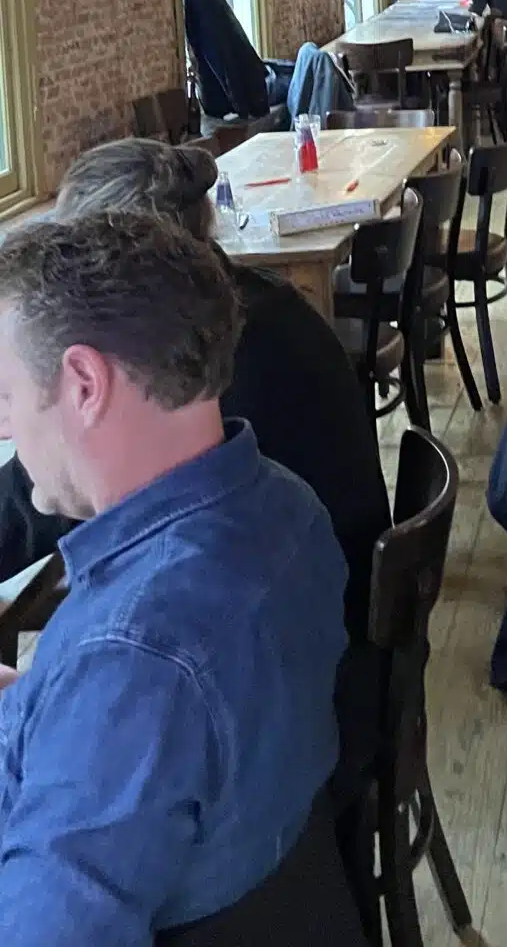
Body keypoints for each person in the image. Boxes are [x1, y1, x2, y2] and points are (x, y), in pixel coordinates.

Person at [0, 210, 347, 940]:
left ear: (84, 383)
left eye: (5, 395)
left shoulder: (131, 660)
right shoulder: (289, 508)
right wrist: (37, 700)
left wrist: (79, 698)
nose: (5, 428)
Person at [0, 139, 390, 642]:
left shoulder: (189, 363)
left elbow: (49, 495)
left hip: (315, 635)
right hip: (322, 603)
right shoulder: (249, 300)